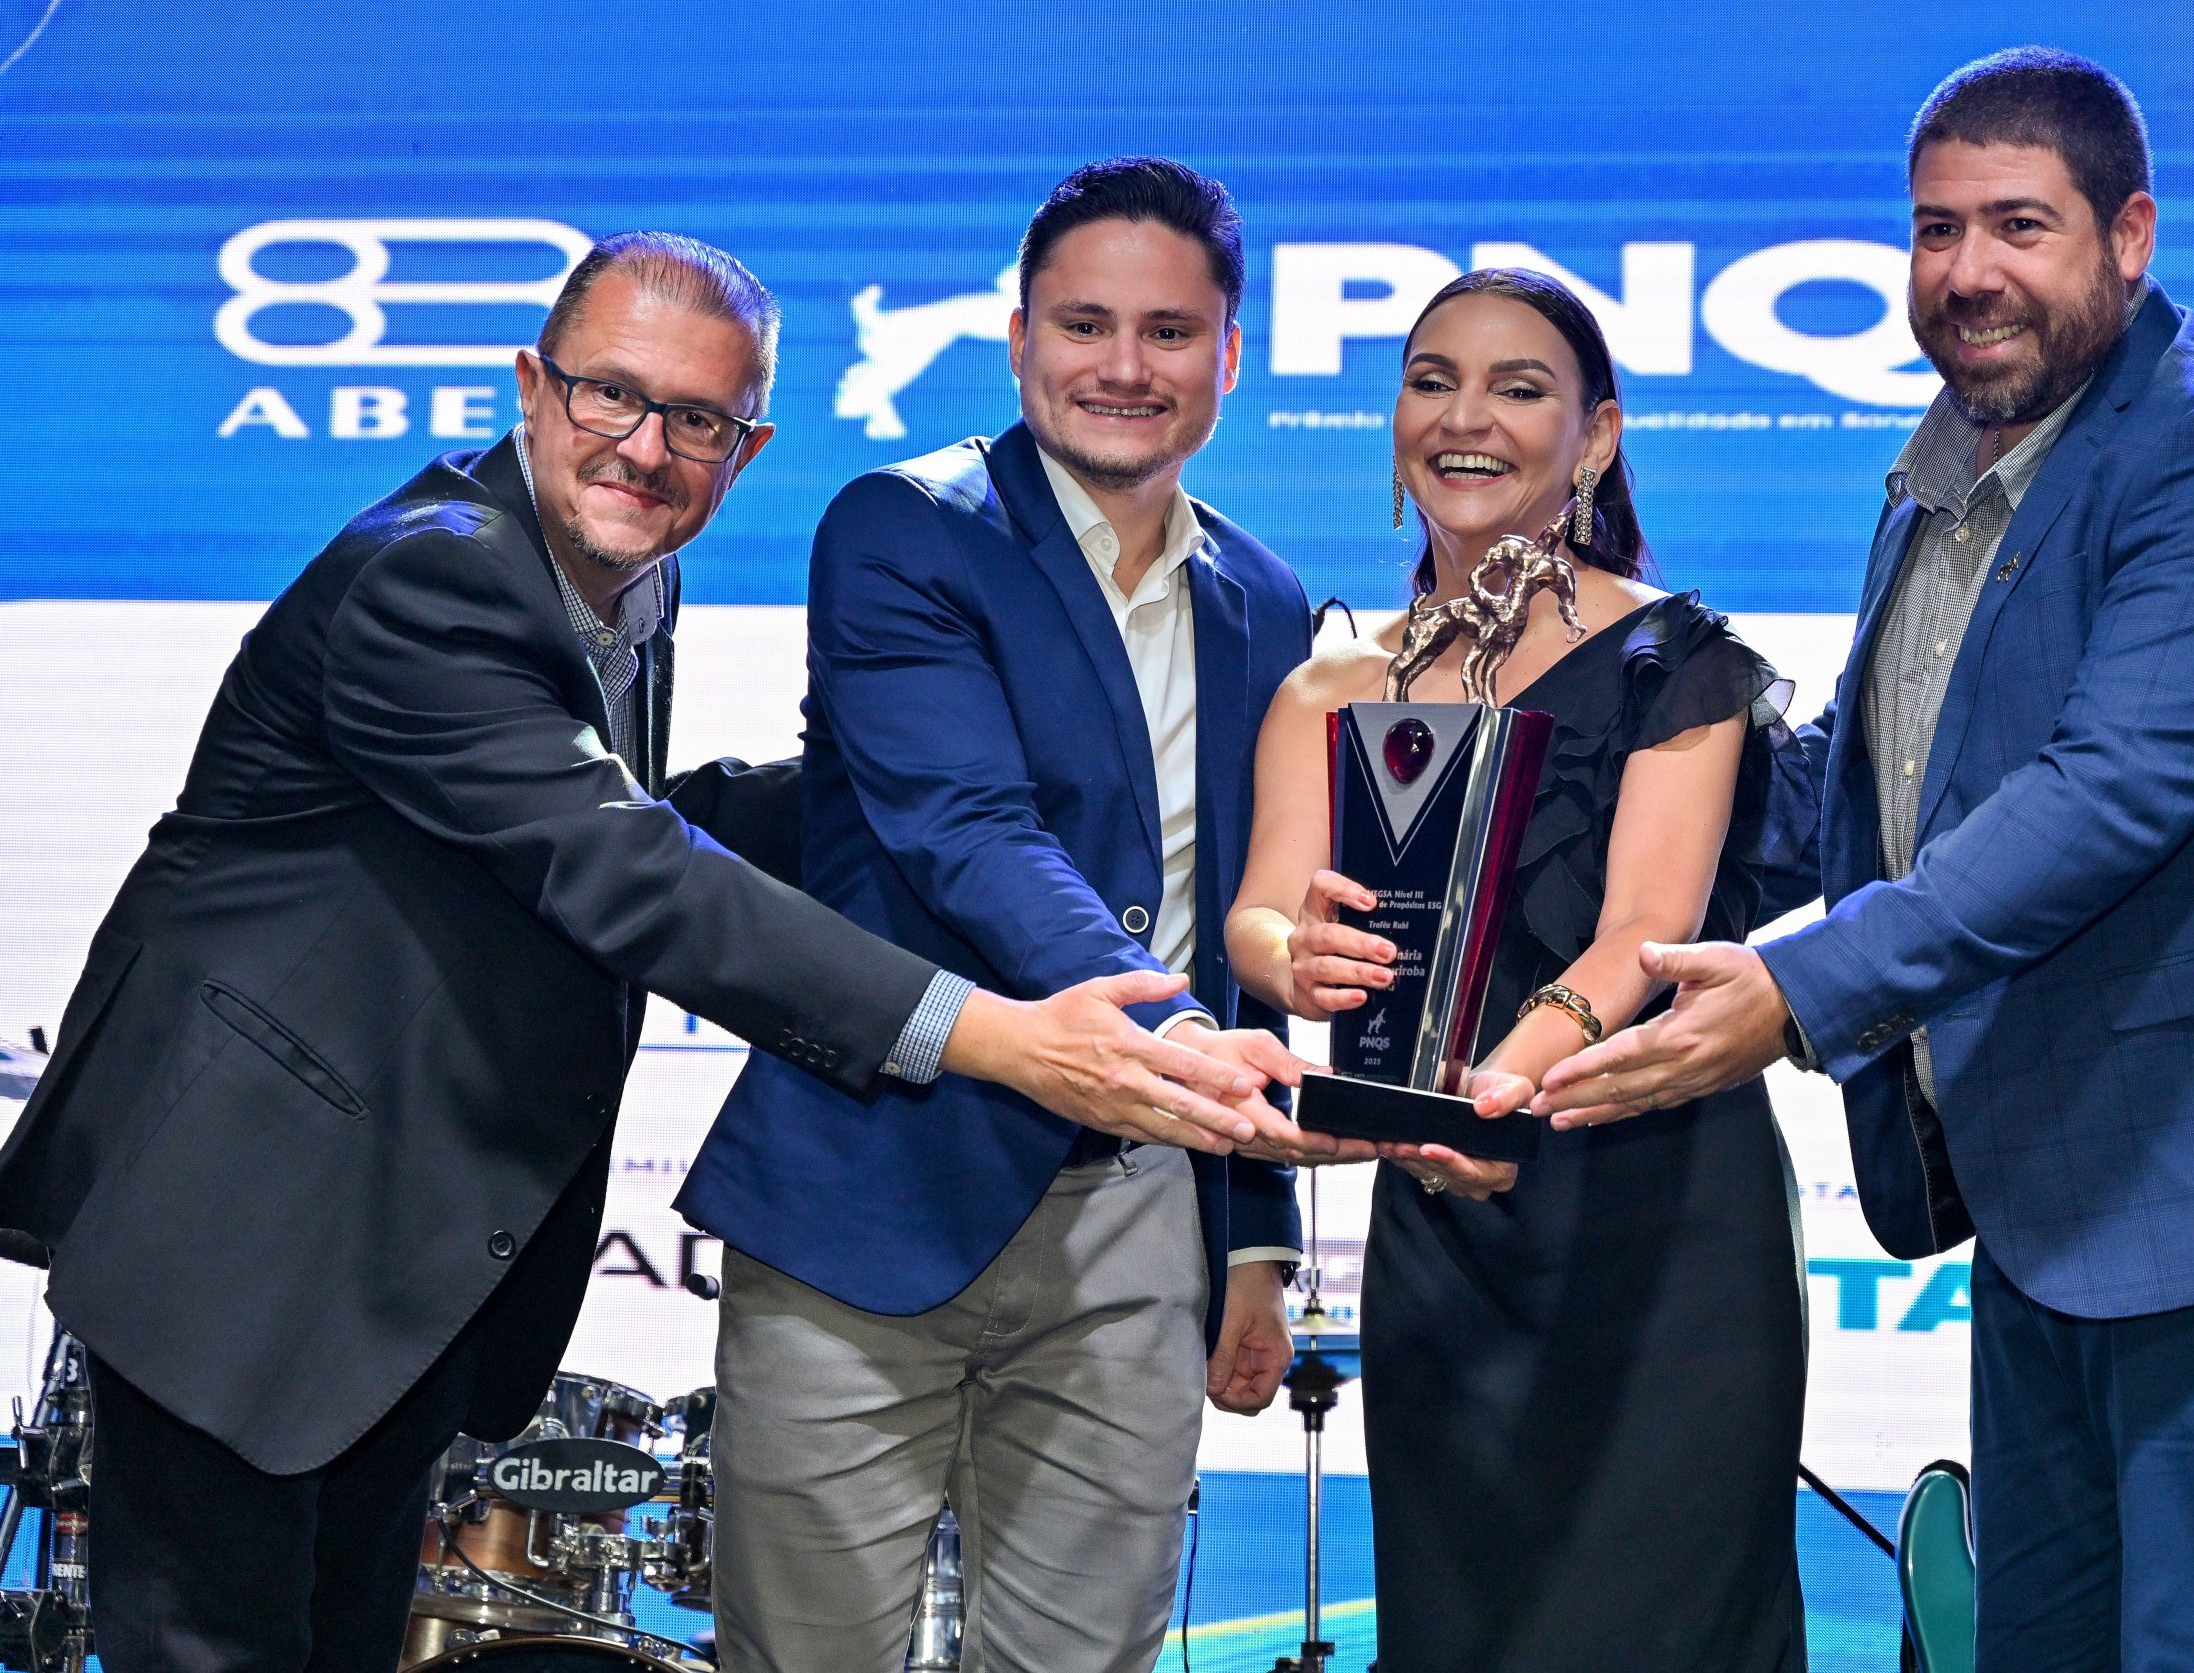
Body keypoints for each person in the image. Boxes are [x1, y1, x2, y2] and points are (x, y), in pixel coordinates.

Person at [0, 230, 1273, 1673]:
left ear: (749, 447)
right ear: (532, 386)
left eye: (697, 420)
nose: (646, 448)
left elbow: (641, 818)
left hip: (385, 1260)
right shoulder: (431, 578)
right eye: (610, 394)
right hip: (241, 1230)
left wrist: (924, 778)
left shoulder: (614, 583)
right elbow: (627, 869)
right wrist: (997, 1035)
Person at [1537, 50, 2194, 1672]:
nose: (1967, 271)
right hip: (2066, 1188)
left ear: (2130, 235)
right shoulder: (1955, 466)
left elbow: (2105, 798)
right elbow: (1872, 786)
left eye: (2018, 225)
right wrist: (1546, 819)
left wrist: (1791, 990)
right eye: (1936, 229)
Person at [677, 159, 1340, 1673]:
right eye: (1084, 324)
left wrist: (1252, 1234)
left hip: (1136, 1228)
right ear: (1021, 333)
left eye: (1169, 331)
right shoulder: (904, 530)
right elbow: (967, 833)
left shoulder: (1266, 599)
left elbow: (1241, 911)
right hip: (872, 1194)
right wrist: (1191, 1046)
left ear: (1230, 353)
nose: (1124, 366)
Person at [1227, 268, 1818, 1673]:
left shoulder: (1677, 660)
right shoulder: (1330, 684)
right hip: (1447, 1233)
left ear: (1595, 435)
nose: (1465, 418)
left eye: (1519, 387)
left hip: (1657, 1217)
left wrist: (1483, 1092)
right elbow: (1257, 918)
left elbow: (1642, 935)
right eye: (1432, 381)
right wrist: (1301, 956)